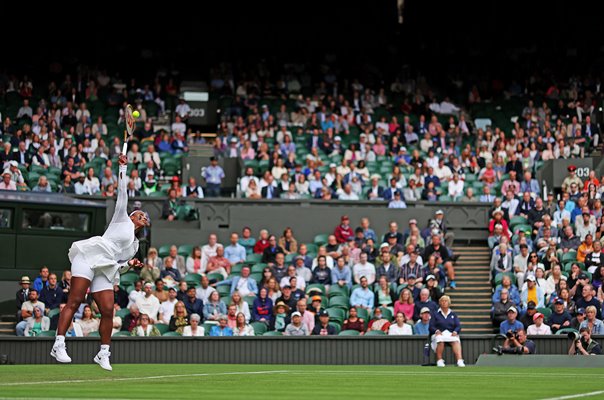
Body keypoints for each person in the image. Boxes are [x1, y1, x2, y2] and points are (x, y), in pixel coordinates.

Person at [52, 154, 149, 370]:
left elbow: (119, 268)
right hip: (89, 256)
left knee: (107, 310)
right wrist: (123, 168)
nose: (144, 217)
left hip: (105, 267)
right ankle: (59, 344)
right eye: (140, 214)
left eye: (145, 217)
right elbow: (122, 193)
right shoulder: (121, 217)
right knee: (75, 300)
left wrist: (129, 265)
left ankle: (103, 353)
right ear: (132, 216)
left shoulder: (134, 246)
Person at [429, 295, 465, 367]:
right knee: (440, 340)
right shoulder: (435, 314)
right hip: (439, 334)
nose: (444, 303)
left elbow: (458, 325)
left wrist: (455, 331)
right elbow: (431, 326)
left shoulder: (453, 314)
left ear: (449, 303)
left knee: (455, 340)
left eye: (446, 301)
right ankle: (439, 360)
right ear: (440, 303)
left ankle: (459, 360)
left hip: (450, 334)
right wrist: (436, 331)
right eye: (442, 301)